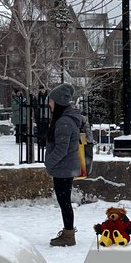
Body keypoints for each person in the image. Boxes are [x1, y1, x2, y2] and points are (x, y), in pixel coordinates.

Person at [43, 81, 84, 247]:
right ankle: (68, 232)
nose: (49, 103)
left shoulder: (63, 121)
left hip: (63, 168)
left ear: (57, 101)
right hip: (65, 167)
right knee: (64, 201)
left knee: (64, 201)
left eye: (51, 100)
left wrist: (49, 164)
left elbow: (62, 148)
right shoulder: (65, 119)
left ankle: (68, 235)